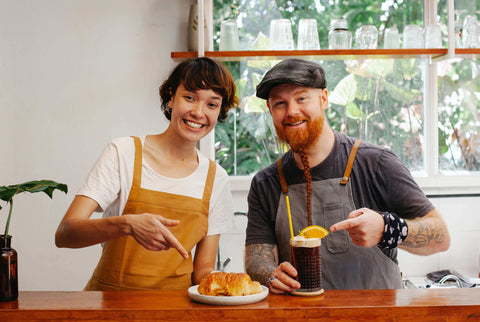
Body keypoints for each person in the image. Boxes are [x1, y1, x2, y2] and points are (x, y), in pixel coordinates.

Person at [245, 58, 450, 293]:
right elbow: (255, 258)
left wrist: (386, 228)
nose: (292, 111)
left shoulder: (376, 162)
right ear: (271, 111)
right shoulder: (265, 183)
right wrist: (269, 274)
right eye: (280, 103)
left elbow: (441, 236)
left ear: (323, 99)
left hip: (378, 318)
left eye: (302, 98)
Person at [55, 57, 238, 291]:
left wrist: (227, 285)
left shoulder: (217, 179)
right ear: (171, 97)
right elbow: (65, 234)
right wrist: (128, 225)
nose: (198, 112)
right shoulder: (123, 153)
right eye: (189, 98)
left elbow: (202, 268)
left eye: (212, 104)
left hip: (177, 311)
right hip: (109, 306)